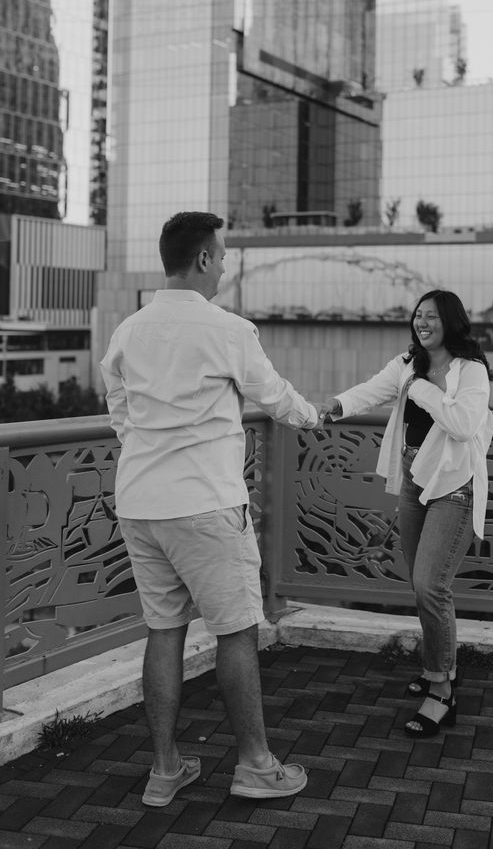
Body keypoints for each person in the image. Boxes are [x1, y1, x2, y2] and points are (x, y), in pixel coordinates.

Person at [100, 211, 320, 807]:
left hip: (141, 501)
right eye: (221, 256)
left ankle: (165, 769)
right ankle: (254, 765)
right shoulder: (228, 329)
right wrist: (316, 416)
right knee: (236, 634)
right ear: (201, 259)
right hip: (204, 504)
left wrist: (144, 446)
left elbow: (117, 403)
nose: (223, 264)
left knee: (163, 631)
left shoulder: (129, 329)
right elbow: (273, 396)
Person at [319, 289, 493, 738]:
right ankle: (441, 667)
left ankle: (441, 691)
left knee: (430, 584)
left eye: (432, 316)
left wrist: (419, 386)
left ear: (450, 322)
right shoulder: (405, 362)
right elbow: (372, 390)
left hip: (454, 482)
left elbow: (461, 424)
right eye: (418, 315)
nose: (422, 322)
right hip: (416, 476)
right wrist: (334, 407)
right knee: (420, 583)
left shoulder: (470, 371)